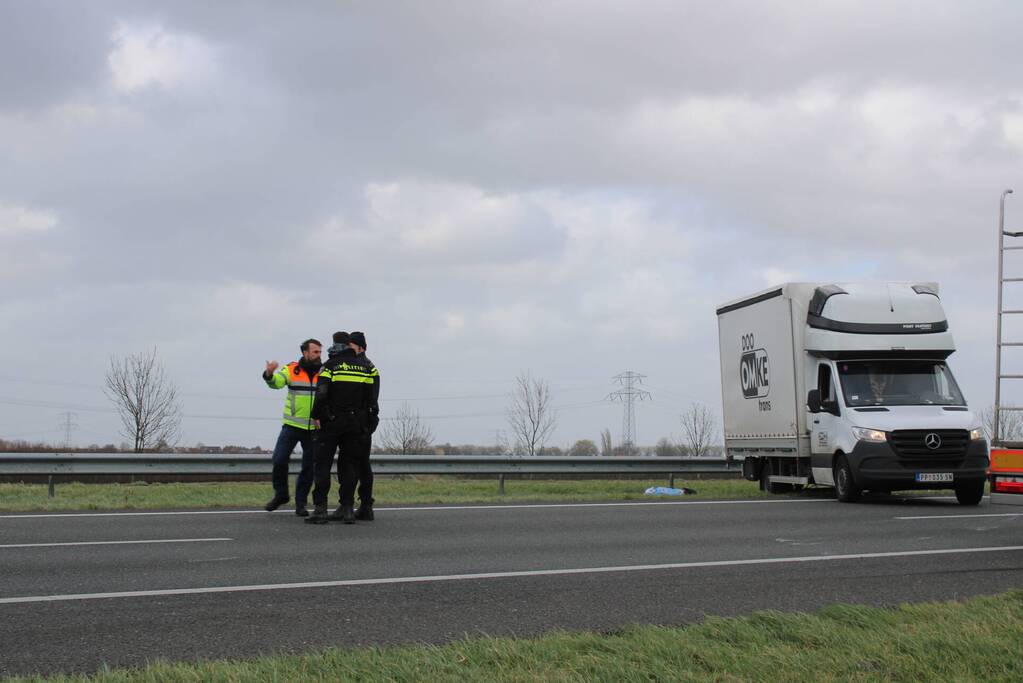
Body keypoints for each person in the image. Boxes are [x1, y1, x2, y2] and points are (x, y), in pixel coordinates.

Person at [306, 331, 379, 524]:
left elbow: (321, 394)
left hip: (331, 422)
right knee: (349, 466)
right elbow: (372, 398)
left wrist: (317, 416)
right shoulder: (366, 368)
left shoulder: (330, 366)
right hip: (356, 424)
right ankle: (348, 509)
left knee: (322, 465)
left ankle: (320, 510)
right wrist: (370, 421)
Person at [262, 338, 322, 516]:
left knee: (308, 468)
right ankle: (281, 495)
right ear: (305, 353)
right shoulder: (292, 369)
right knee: (279, 459)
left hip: (313, 428)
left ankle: (301, 503)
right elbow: (277, 383)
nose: (319, 355)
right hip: (292, 425)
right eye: (315, 352)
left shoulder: (325, 371)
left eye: (320, 352)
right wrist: (269, 374)